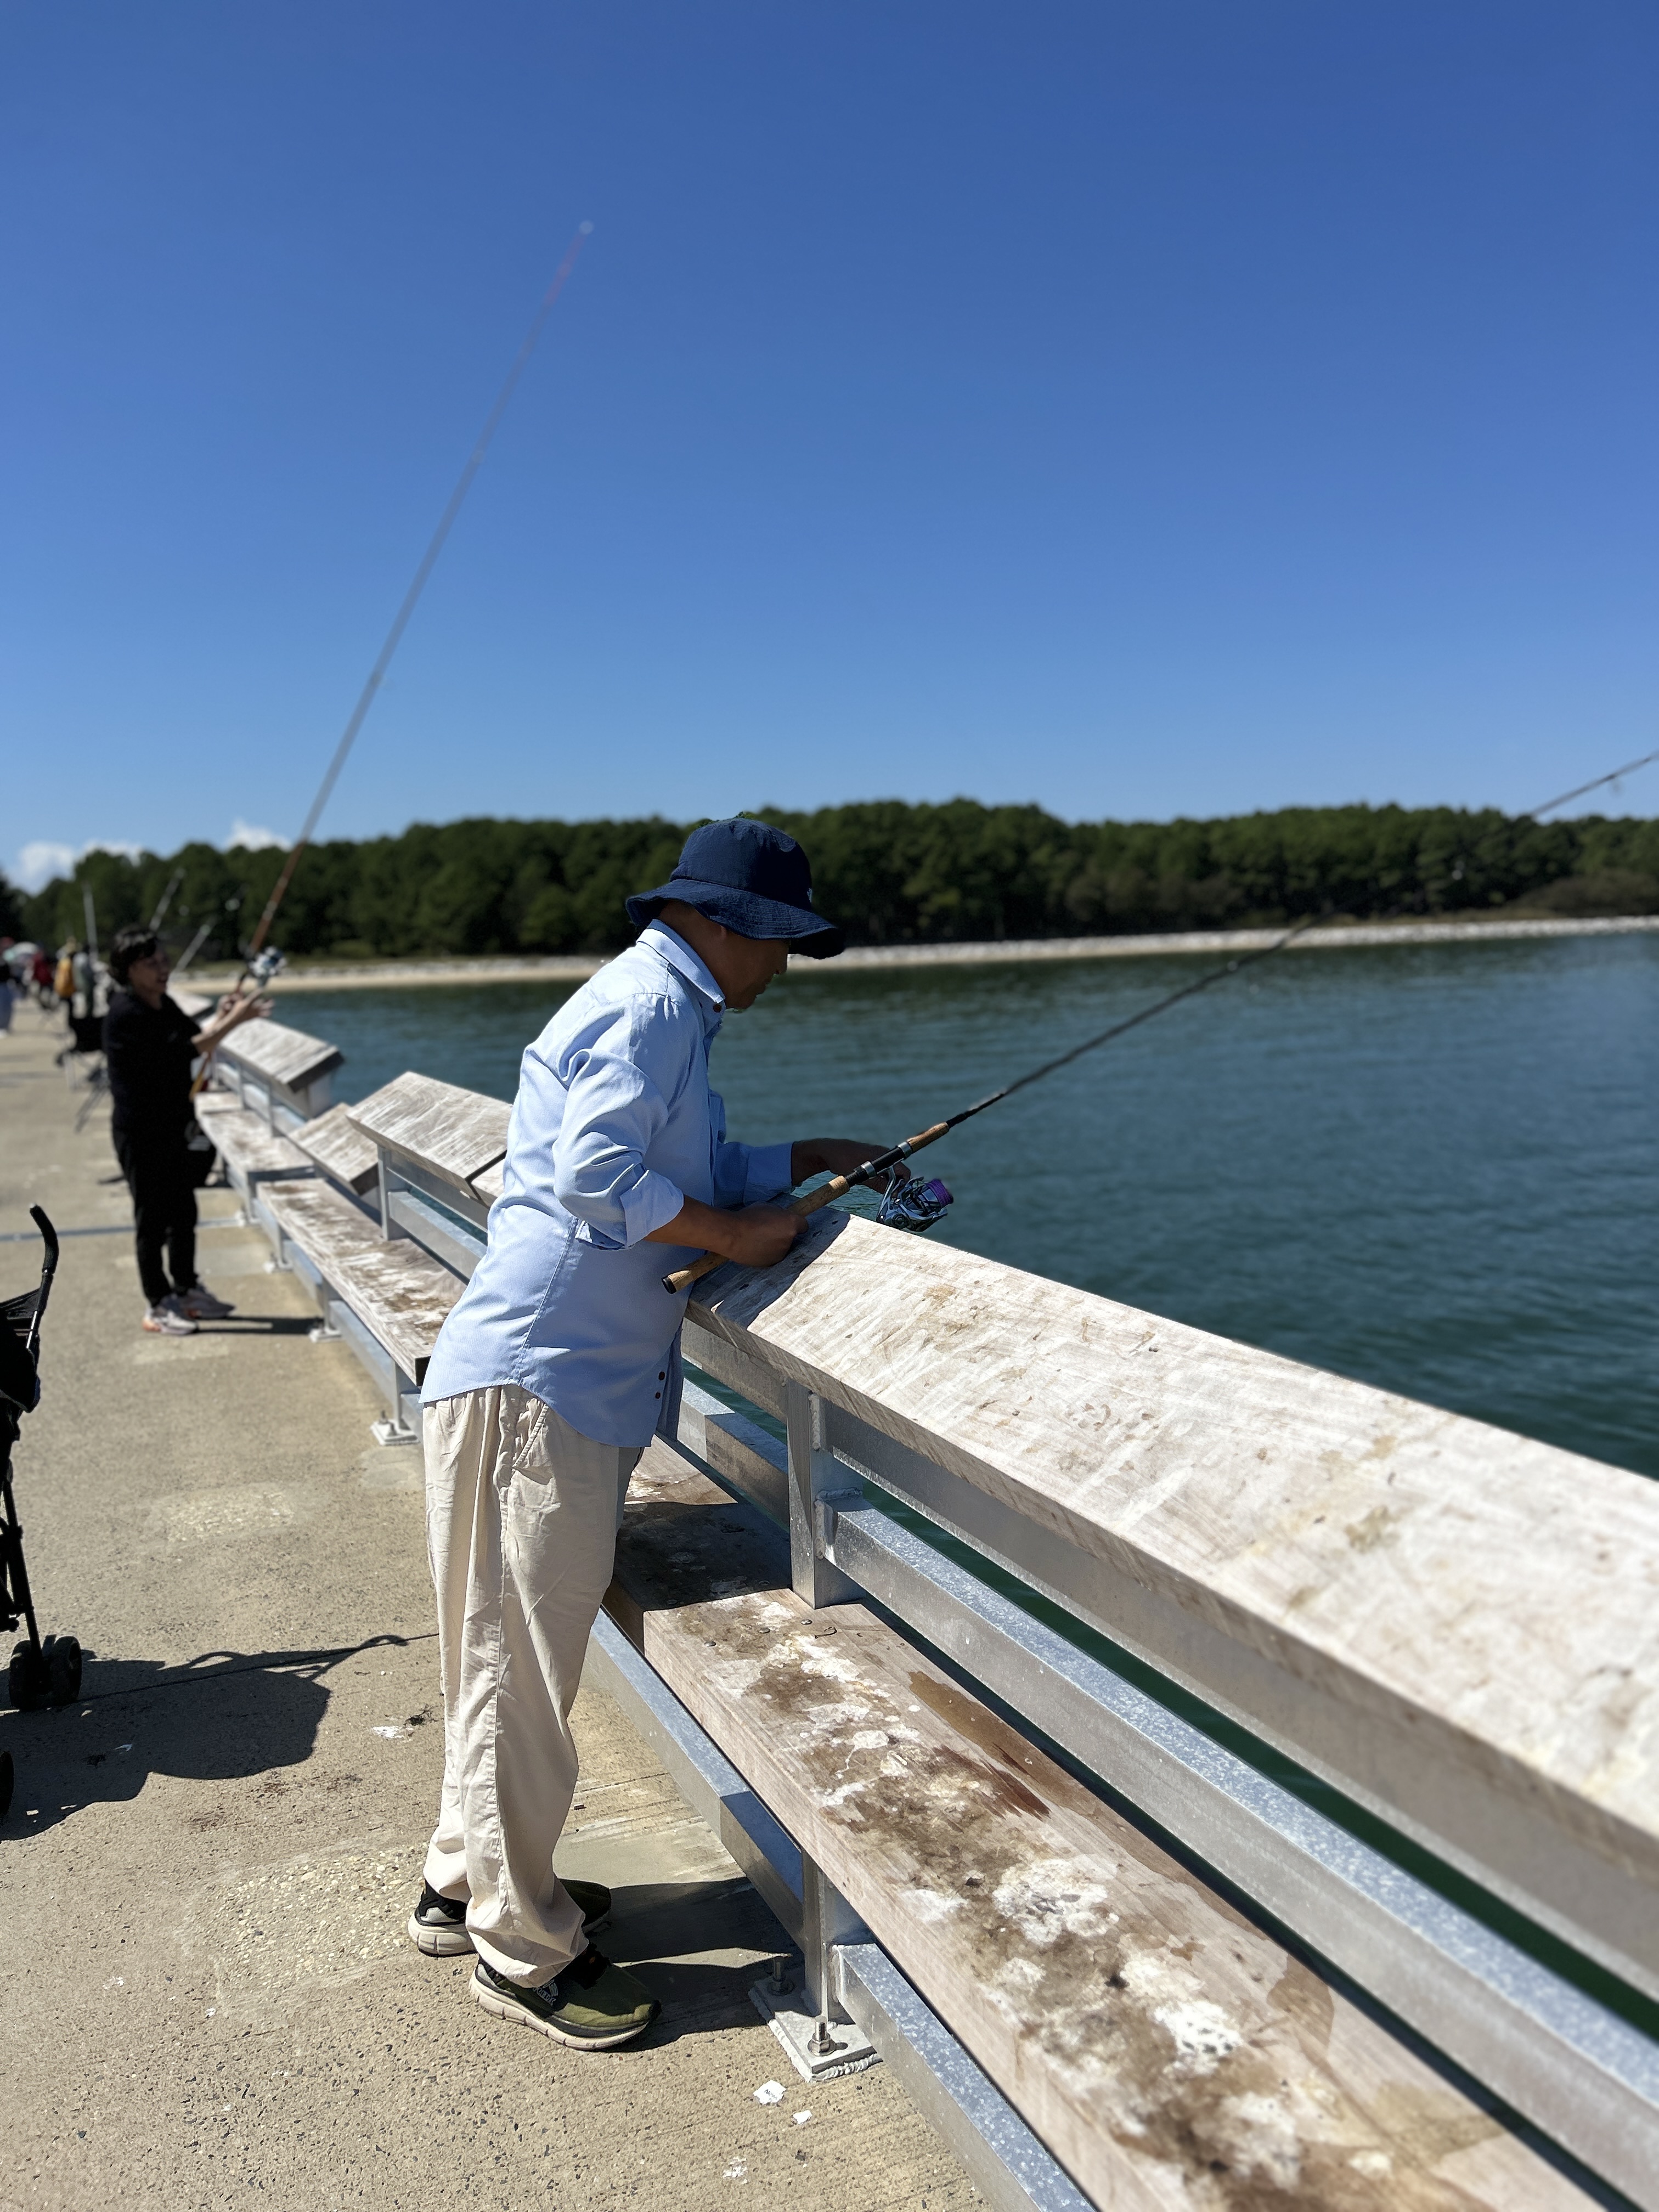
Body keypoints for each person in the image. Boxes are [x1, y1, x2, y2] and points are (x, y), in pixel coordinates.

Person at [409, 818, 887, 2052]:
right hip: (542, 1387)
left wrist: (805, 1157)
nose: (782, 966)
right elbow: (594, 1175)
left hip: (537, 1383)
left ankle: (463, 1883)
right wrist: (732, 1238)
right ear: (721, 924)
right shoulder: (652, 1007)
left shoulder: (657, 1005)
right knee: (517, 1666)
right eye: (777, 942)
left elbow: (692, 1161)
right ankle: (523, 1950)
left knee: (497, 1653)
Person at [101, 927, 270, 1337]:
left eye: (164, 960)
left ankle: (187, 1289)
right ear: (129, 970)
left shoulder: (162, 1003)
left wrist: (223, 1015)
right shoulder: (125, 1014)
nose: (163, 969)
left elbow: (195, 1035)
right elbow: (185, 1050)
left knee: (182, 1212)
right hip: (140, 1132)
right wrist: (236, 1020)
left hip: (173, 1125)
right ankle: (158, 1304)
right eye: (151, 963)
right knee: (151, 1219)